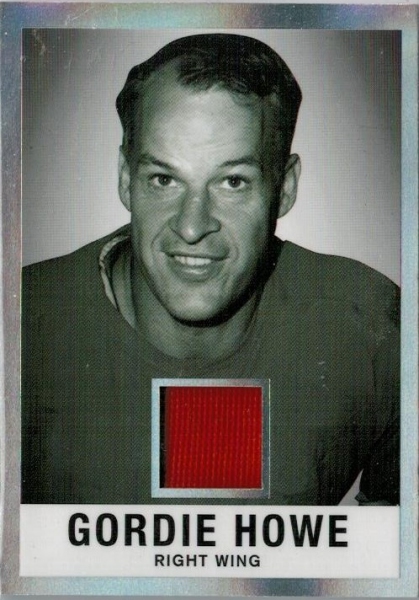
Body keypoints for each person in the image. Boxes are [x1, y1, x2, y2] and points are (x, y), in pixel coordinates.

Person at [21, 33, 399, 505]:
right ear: (125, 178)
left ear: (284, 188)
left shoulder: (373, 328)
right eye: (164, 179)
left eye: (233, 181)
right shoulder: (20, 328)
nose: (192, 226)